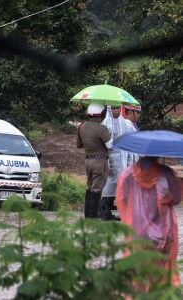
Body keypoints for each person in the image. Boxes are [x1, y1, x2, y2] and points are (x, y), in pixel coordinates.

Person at [116, 156, 182, 286]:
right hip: (163, 232)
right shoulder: (166, 173)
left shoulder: (127, 174)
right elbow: (177, 198)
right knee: (161, 273)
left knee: (138, 272)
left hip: (137, 231)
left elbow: (122, 198)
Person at [100, 106, 136, 220]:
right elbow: (104, 145)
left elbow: (129, 141)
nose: (116, 111)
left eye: (118, 108)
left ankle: (121, 212)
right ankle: (104, 211)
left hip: (123, 158)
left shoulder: (125, 123)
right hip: (111, 158)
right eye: (113, 109)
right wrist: (107, 162)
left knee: (121, 186)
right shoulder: (105, 124)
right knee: (108, 186)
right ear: (110, 110)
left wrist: (130, 160)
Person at [77, 103, 112, 218]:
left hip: (88, 161)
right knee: (97, 187)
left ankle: (88, 213)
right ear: (102, 114)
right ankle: (93, 215)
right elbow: (110, 145)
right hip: (100, 161)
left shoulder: (81, 126)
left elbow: (79, 144)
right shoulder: (101, 129)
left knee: (89, 186)